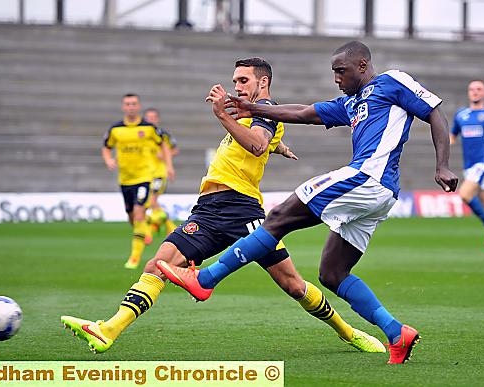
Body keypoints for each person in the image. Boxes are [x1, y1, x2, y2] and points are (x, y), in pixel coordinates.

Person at [157, 41, 459, 365]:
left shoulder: (391, 82)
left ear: (362, 65)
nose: (336, 78)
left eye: (341, 71)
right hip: (379, 193)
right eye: (333, 72)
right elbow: (305, 113)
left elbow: (434, 113)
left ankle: (205, 280)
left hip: (368, 176)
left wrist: (442, 163)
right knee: (333, 273)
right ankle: (396, 332)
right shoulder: (352, 104)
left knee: (278, 218)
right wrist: (256, 110)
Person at [61, 57, 386, 355]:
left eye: (244, 81)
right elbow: (263, 140)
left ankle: (348, 332)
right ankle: (108, 329)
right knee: (158, 264)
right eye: (235, 81)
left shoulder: (264, 109)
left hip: (242, 209)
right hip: (208, 209)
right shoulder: (251, 114)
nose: (237, 87)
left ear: (263, 82)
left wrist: (223, 117)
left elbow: (257, 143)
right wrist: (280, 146)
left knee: (292, 284)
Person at [101, 94, 175, 269]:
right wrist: (108, 160)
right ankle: (152, 226)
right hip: (125, 179)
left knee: (140, 211)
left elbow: (164, 145)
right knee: (132, 217)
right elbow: (106, 146)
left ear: (139, 106)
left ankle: (134, 258)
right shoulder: (115, 129)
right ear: (123, 107)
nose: (131, 107)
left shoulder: (149, 128)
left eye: (134, 103)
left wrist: (169, 165)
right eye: (127, 104)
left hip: (145, 177)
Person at [450, 80, 484, 248]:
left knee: (465, 194)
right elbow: (453, 136)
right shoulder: (462, 115)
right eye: (472, 89)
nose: (475, 92)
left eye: (479, 89)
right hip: (469, 166)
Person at [143, 107, 179, 242]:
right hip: (144, 173)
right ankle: (166, 226)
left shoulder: (163, 135)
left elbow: (174, 150)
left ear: (157, 119)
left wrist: (164, 156)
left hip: (158, 172)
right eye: (148, 118)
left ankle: (149, 232)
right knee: (148, 203)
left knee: (151, 201)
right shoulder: (142, 133)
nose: (151, 120)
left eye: (153, 118)